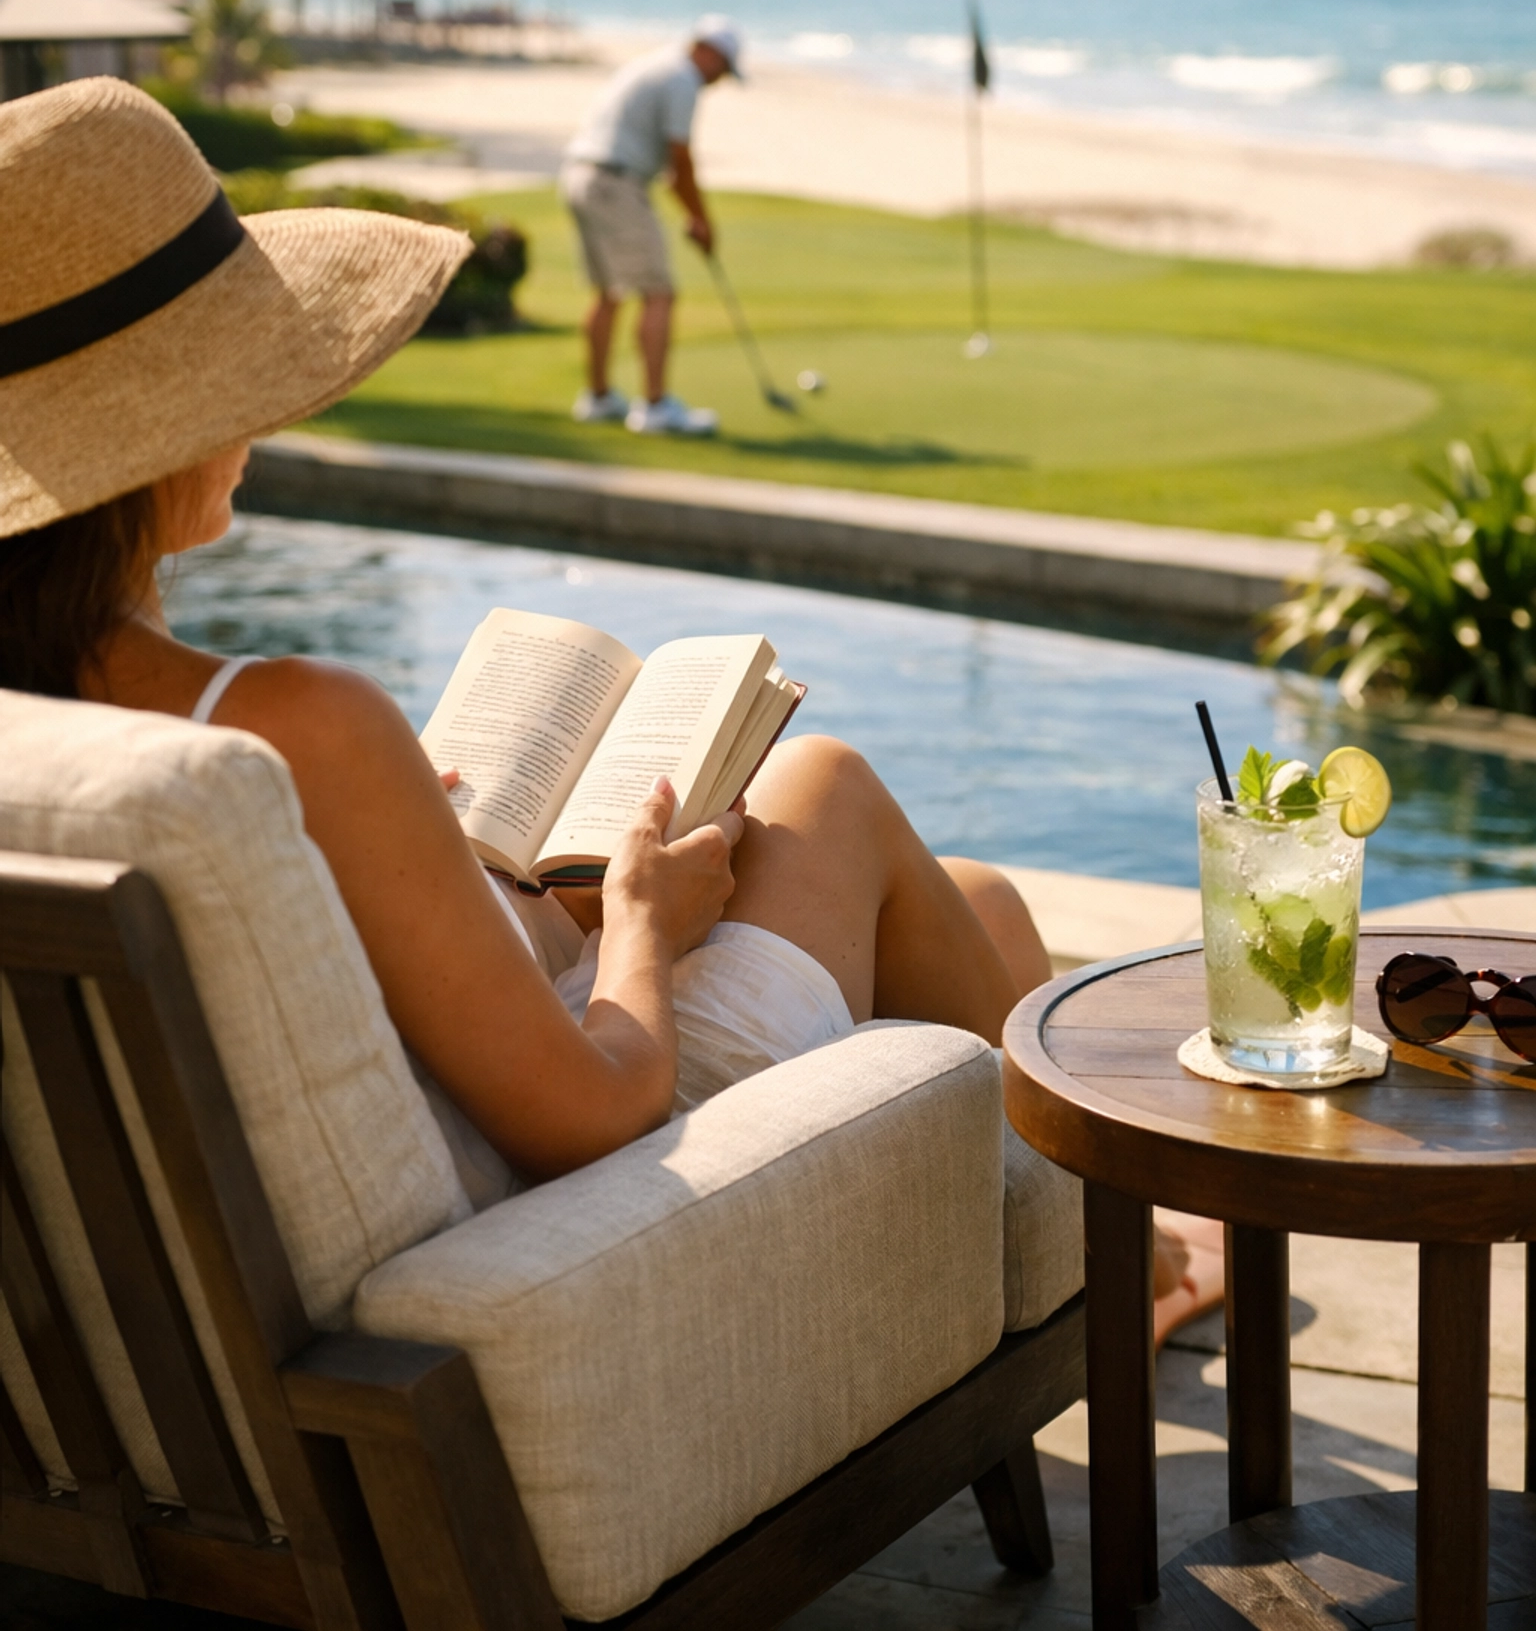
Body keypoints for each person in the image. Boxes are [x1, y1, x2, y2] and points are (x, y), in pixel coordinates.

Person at [0, 81, 1217, 1334]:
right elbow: (591, 1114)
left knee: (981, 904)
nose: (260, 415)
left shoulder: (73, 740)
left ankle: (1125, 1256)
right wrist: (640, 919)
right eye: (229, 382)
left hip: (225, 1292)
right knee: (828, 791)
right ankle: (1125, 1270)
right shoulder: (300, 723)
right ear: (140, 450)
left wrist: (485, 886)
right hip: (542, 1215)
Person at [559, 17, 740, 437]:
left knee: (608, 293)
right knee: (658, 293)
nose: (720, 80)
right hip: (615, 183)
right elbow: (680, 162)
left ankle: (599, 397)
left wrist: (691, 213)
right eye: (723, 69)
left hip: (580, 176)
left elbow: (670, 168)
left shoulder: (653, 66)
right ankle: (655, 408)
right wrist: (700, 219)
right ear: (708, 52)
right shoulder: (682, 79)